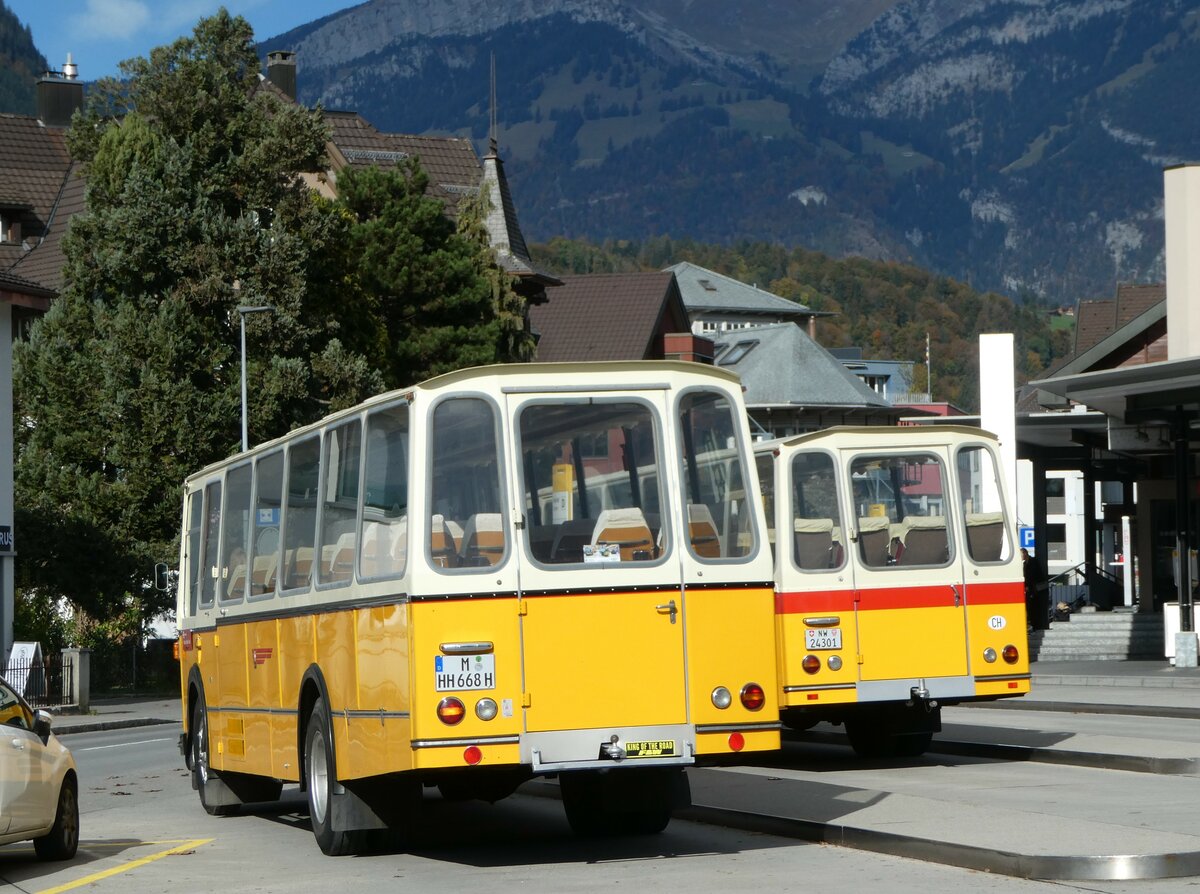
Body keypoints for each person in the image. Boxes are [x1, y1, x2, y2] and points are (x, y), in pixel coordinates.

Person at [1021, 547, 1050, 631]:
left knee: (1034, 608)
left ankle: (1036, 625)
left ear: (1025, 554)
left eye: (1021, 555)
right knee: (1030, 608)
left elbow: (1032, 576)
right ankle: (1033, 625)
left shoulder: (1033, 562)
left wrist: (1028, 586)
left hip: (1034, 589)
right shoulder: (1025, 563)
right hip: (1030, 589)